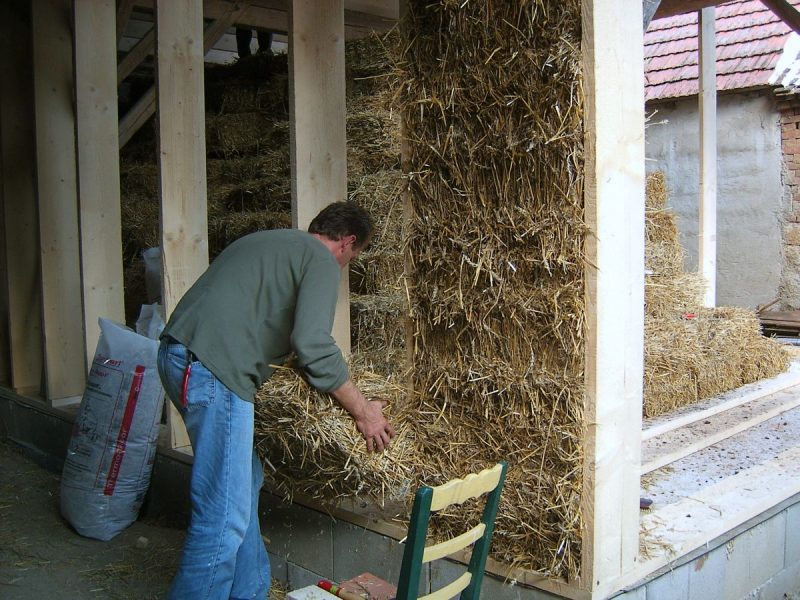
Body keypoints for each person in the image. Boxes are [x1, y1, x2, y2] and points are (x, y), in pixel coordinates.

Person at [157, 201, 396, 599]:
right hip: (216, 371)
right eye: (354, 257)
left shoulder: (268, 241)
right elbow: (313, 345)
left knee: (243, 486)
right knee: (223, 517)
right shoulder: (319, 259)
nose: (346, 264)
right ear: (348, 243)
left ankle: (250, 592)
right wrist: (363, 410)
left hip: (178, 356)